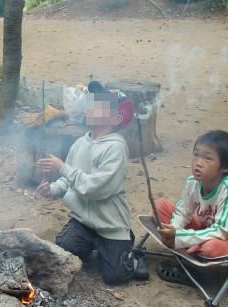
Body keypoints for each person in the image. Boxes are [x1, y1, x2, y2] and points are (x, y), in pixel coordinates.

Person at [36, 81, 148, 284]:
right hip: (83, 221)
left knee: (114, 277)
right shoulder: (79, 144)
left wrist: (62, 168)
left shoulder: (116, 148)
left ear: (116, 118)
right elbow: (67, 181)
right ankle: (92, 244)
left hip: (109, 225)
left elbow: (95, 189)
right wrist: (52, 190)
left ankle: (133, 254)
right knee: (64, 250)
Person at [156, 130, 228, 267]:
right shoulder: (193, 182)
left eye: (207, 158)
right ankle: (192, 244)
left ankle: (194, 246)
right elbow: (182, 212)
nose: (198, 162)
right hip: (204, 228)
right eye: (196, 155)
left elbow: (222, 231)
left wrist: (179, 236)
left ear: (225, 167)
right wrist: (173, 230)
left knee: (210, 248)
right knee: (161, 207)